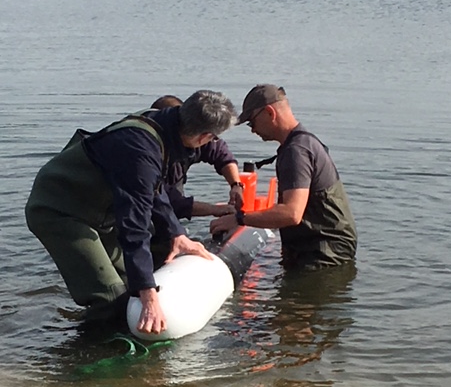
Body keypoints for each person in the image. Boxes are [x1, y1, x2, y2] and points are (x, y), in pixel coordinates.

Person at [25, 90, 237, 335]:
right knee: (111, 297)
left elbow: (155, 192)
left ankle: (111, 335)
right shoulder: (141, 149)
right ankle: (92, 360)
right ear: (204, 137)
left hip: (96, 211)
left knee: (131, 281)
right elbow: (134, 226)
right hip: (58, 210)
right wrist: (148, 297)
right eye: (212, 139)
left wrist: (177, 234)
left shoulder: (168, 126)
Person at [210, 84, 357, 268]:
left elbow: (291, 213)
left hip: (323, 255)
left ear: (270, 113)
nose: (252, 130)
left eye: (252, 122)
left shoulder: (296, 151)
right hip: (325, 249)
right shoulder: (303, 142)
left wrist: (238, 219)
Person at [150, 95, 243, 219]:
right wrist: (214, 209)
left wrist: (236, 185)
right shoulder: (150, 151)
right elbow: (168, 200)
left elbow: (220, 153)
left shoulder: (192, 133)